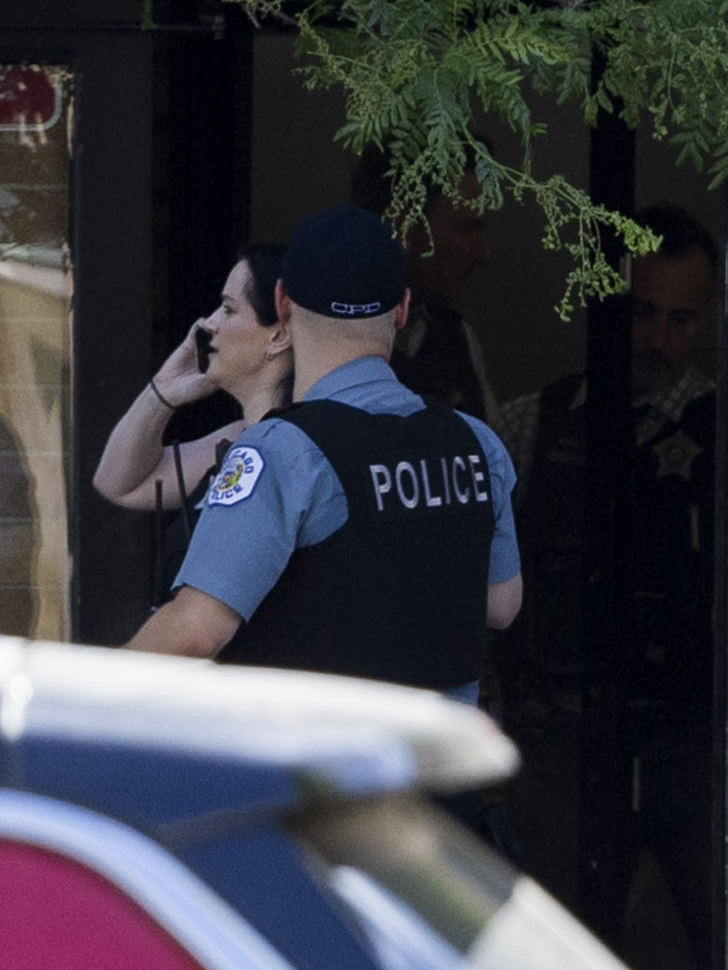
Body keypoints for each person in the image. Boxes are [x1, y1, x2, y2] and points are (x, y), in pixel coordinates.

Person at [125, 205, 522, 697]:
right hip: (442, 767)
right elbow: (502, 605)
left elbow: (195, 632)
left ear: (283, 303)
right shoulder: (476, 442)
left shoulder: (282, 451)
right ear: (400, 308)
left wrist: (84, 695)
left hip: (316, 767)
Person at [500, 211, 726, 970]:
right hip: (559, 741)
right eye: (638, 311)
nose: (655, 337)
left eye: (680, 317)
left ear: (711, 319)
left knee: (717, 952)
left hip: (691, 742)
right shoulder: (536, 420)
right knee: (552, 964)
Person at [91, 242, 292, 591]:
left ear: (279, 336)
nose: (207, 323)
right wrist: (162, 393)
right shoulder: (239, 435)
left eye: (228, 310)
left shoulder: (292, 445)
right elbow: (118, 484)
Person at [388, 189, 496, 420]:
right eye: (466, 229)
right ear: (407, 224)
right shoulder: (331, 339)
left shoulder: (457, 337)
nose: (483, 252)